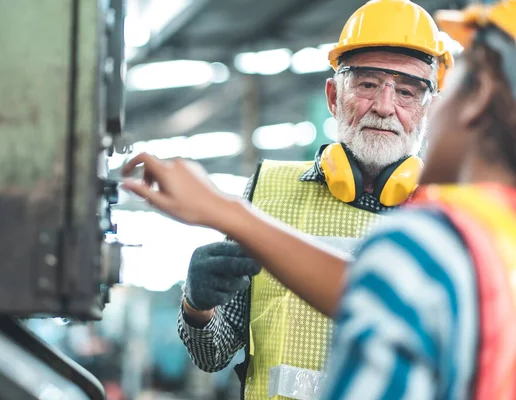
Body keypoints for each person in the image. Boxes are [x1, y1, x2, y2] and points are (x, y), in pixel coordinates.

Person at [123, 0, 516, 398]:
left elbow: (375, 293)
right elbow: (212, 355)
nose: (384, 106)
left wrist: (224, 211)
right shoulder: (268, 191)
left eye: (409, 92)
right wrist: (197, 308)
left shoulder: (437, 232)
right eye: (366, 85)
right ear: (333, 96)